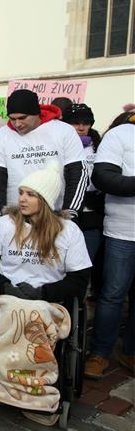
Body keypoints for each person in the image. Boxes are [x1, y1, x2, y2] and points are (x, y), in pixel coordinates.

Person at [0, 161, 91, 425]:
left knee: (34, 314)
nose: (22, 199)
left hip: (47, 300)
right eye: (21, 193)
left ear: (45, 199)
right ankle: (12, 386)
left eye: (30, 194)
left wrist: (43, 291)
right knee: (14, 310)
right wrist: (5, 287)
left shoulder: (68, 232)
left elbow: (79, 279)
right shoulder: (5, 224)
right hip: (6, 295)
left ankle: (24, 389)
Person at [0, 89, 88, 223]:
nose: (17, 124)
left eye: (22, 118)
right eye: (12, 119)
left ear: (36, 113)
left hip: (54, 216)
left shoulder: (63, 131)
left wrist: (71, 213)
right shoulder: (0, 137)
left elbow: (78, 173)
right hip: (15, 217)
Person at [85, 112, 135, 378]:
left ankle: (130, 351)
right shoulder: (121, 134)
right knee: (113, 294)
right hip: (123, 232)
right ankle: (100, 353)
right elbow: (103, 177)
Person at [61, 103, 103, 263]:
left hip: (91, 214)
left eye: (85, 123)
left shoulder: (98, 144)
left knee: (84, 263)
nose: (81, 127)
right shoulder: (59, 144)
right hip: (65, 212)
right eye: (76, 123)